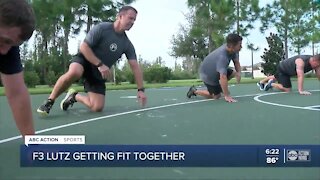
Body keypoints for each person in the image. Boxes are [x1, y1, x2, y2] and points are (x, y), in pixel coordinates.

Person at [37, 6, 147, 116]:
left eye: (134, 20)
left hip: (97, 74)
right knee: (75, 72)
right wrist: (100, 64)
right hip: (84, 60)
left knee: (97, 107)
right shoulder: (102, 28)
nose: (132, 22)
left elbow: (135, 67)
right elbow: (84, 47)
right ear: (120, 16)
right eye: (130, 18)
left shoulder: (127, 44)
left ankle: (74, 96)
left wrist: (140, 90)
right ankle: (49, 102)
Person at [0, 0, 35, 136]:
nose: (4, 51)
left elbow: (17, 94)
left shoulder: (8, 47)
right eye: (4, 40)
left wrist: (32, 143)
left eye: (12, 44)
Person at [187, 33, 243, 103]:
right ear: (232, 46)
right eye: (239, 45)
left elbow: (236, 62)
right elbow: (223, 76)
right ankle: (194, 91)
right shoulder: (222, 56)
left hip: (216, 69)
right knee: (216, 96)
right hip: (207, 74)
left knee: (234, 73)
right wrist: (227, 95)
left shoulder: (233, 50)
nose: (241, 47)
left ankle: (220, 87)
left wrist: (239, 74)